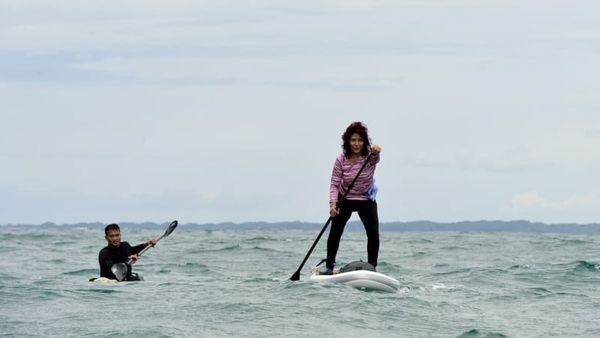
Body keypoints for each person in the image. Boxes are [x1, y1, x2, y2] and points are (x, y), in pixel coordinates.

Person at [321, 121, 381, 275]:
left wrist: (377, 151)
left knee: (373, 233)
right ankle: (329, 266)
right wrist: (332, 205)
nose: (357, 144)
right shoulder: (341, 159)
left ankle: (372, 266)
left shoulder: (370, 156)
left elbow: (376, 157)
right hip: (345, 198)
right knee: (335, 232)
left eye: (360, 140)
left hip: (366, 200)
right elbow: (334, 183)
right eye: (353, 140)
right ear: (347, 141)